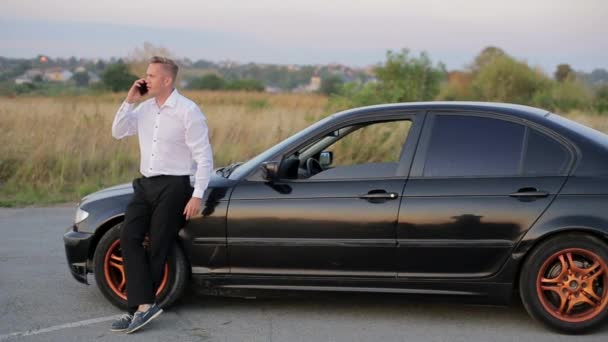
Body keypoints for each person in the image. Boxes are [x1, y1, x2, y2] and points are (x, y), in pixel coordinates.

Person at [109, 56, 213, 334]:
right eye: (146, 75)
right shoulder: (143, 110)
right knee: (128, 238)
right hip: (146, 185)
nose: (145, 80)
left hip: (175, 186)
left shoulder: (188, 111)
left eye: (151, 76)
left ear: (167, 80)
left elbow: (204, 156)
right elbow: (118, 132)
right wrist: (129, 100)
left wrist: (197, 195)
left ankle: (140, 309)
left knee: (158, 245)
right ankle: (144, 306)